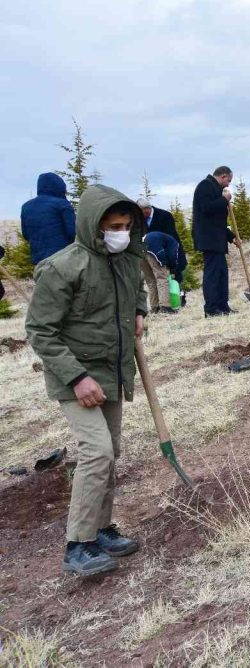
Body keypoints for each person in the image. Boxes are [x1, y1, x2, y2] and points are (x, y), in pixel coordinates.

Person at [25, 185, 148, 576]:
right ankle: (78, 545)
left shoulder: (126, 260)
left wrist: (140, 310)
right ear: (93, 225)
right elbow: (40, 330)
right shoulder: (64, 267)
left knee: (111, 451)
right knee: (97, 451)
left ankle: (102, 528)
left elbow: (137, 289)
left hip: (112, 370)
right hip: (74, 374)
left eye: (126, 226)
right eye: (113, 226)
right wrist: (77, 378)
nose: (121, 232)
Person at [192, 166, 241, 317]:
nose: (228, 184)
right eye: (229, 180)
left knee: (221, 274)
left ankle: (223, 306)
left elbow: (217, 221)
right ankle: (211, 309)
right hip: (209, 240)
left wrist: (231, 237)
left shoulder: (215, 189)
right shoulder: (205, 186)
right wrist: (224, 200)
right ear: (223, 176)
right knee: (212, 275)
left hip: (217, 240)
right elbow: (206, 209)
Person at [21, 173, 76, 266]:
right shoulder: (62, 204)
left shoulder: (26, 206)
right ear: (60, 186)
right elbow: (73, 232)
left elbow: (26, 235)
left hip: (38, 259)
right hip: (62, 258)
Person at [137, 198, 188, 286]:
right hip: (151, 258)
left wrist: (170, 263)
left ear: (147, 209)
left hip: (170, 254)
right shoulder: (140, 220)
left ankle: (180, 299)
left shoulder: (164, 216)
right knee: (154, 283)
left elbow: (171, 239)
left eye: (141, 213)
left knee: (175, 284)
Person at [142, 231, 185, 314]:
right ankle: (165, 307)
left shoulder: (164, 238)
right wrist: (172, 270)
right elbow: (173, 256)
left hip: (139, 248)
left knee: (151, 281)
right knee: (162, 278)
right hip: (152, 248)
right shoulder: (175, 243)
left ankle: (155, 307)